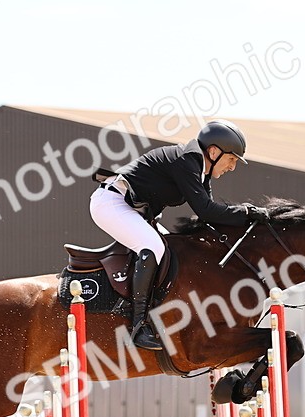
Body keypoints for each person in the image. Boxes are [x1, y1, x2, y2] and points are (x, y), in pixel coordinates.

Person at [89, 119, 269, 350]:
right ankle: (138, 326)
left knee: (172, 250)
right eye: (231, 159)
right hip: (111, 202)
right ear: (213, 152)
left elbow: (209, 215)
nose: (232, 167)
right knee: (154, 247)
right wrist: (247, 212)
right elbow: (205, 210)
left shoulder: (199, 169)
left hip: (130, 208)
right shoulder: (187, 161)